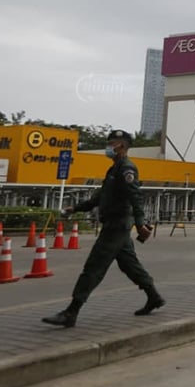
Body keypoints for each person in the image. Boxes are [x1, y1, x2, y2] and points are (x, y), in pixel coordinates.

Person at [42, 130, 164, 327]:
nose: (109, 146)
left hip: (117, 226)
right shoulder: (114, 169)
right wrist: (76, 208)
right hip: (116, 226)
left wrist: (140, 223)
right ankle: (154, 297)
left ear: (121, 146)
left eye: (112, 143)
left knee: (93, 267)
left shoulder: (126, 168)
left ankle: (71, 312)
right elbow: (100, 198)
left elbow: (136, 197)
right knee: (129, 265)